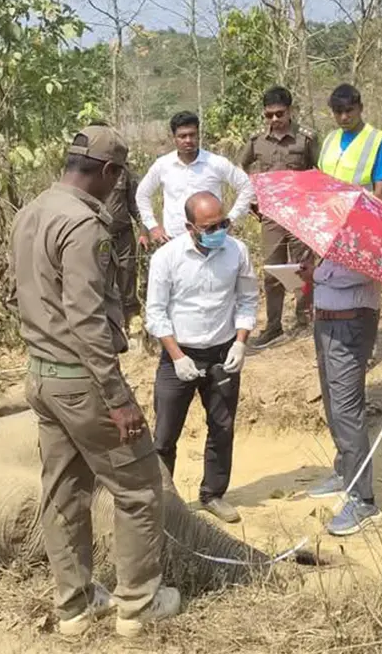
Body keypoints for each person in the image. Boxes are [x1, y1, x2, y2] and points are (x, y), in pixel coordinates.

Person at [9, 125, 180, 637]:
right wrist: (117, 396)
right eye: (118, 176)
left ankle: (75, 607)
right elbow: (85, 318)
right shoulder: (84, 227)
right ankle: (138, 604)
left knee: (63, 492)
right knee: (139, 488)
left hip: (41, 378)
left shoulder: (31, 211)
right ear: (108, 172)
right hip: (82, 381)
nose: (118, 186)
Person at [296, 82, 382, 536]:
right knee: (334, 396)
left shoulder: (375, 143)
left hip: (351, 309)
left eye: (349, 110)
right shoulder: (331, 142)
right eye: (336, 112)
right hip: (326, 294)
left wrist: (354, 229)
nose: (343, 118)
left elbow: (381, 192)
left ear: (360, 108)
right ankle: (343, 468)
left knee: (348, 402)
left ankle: (363, 495)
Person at [145, 191, 258, 524]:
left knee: (222, 428)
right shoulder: (166, 258)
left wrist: (240, 343)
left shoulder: (237, 251)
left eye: (222, 223)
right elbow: (155, 312)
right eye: (209, 227)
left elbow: (247, 300)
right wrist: (177, 356)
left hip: (223, 352)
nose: (219, 231)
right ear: (190, 227)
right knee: (165, 433)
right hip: (178, 354)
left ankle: (213, 494)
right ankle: (163, 502)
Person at [239, 85, 319, 348]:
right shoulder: (256, 142)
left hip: (300, 214)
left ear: (290, 111)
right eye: (269, 115)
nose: (275, 119)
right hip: (271, 215)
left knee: (304, 267)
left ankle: (305, 317)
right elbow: (241, 168)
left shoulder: (305, 139)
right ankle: (273, 325)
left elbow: (320, 172)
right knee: (272, 271)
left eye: (280, 114)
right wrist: (251, 198)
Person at [135, 110, 255, 250]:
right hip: (174, 240)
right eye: (182, 136)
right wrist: (153, 226)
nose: (188, 140)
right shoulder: (163, 165)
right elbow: (142, 194)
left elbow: (246, 186)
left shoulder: (216, 163)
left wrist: (231, 219)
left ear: (198, 135)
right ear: (174, 138)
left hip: (211, 239)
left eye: (192, 135)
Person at [103, 152, 149, 331]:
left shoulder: (124, 171)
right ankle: (108, 326)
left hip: (123, 237)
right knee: (99, 280)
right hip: (97, 238)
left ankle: (133, 325)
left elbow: (136, 205)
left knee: (127, 278)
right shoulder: (87, 173)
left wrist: (144, 231)